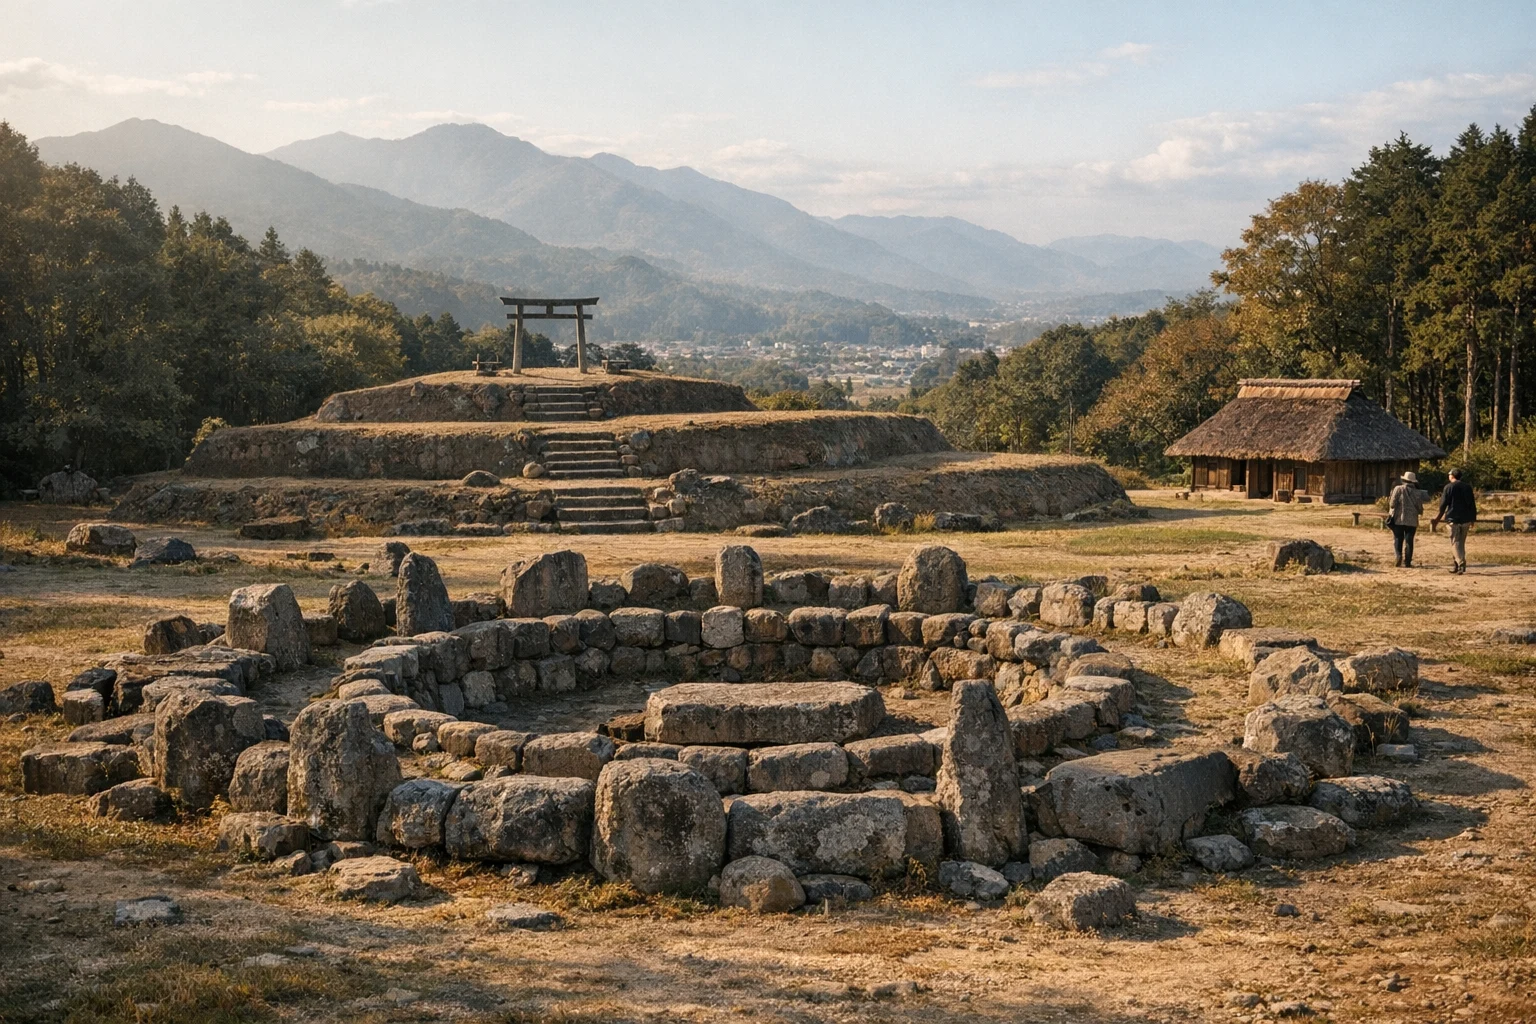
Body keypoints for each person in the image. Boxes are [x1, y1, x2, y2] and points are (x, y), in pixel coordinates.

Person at [1431, 467, 1477, 574]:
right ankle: (1456, 565)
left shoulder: (1448, 487)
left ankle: (1461, 563)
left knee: (1455, 542)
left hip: (1453, 518)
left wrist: (1437, 519)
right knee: (1461, 543)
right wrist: (1473, 518)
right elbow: (1472, 504)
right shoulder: (1468, 487)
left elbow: (1443, 506)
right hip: (1466, 518)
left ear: (1452, 476)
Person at [1387, 471, 1425, 567]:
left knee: (1398, 538)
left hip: (1399, 518)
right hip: (1412, 520)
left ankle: (1398, 556)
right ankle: (1407, 562)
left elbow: (1392, 504)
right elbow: (1420, 508)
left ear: (1404, 480)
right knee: (1409, 540)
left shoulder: (1398, 489)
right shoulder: (1417, 492)